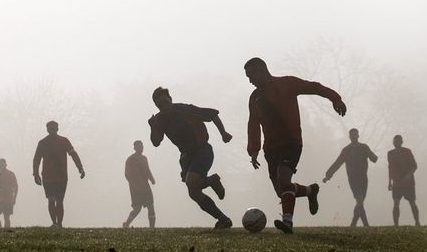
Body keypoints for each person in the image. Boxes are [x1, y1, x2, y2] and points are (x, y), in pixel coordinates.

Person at [245, 57, 347, 234]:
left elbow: (314, 87)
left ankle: (287, 223)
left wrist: (335, 99)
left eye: (251, 75)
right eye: (247, 77)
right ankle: (310, 191)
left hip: (291, 143)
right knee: (281, 190)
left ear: (262, 70)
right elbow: (253, 124)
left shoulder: (287, 83)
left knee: (284, 180)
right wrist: (253, 150)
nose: (250, 80)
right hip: (270, 149)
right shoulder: (254, 98)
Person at [148, 87, 233, 229]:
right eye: (160, 105)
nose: (164, 107)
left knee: (192, 181)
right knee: (193, 192)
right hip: (186, 157)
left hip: (203, 150)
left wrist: (223, 133)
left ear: (171, 99)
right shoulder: (159, 119)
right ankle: (223, 220)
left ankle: (212, 181)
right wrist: (152, 127)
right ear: (157, 106)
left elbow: (212, 115)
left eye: (166, 102)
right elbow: (156, 142)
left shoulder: (185, 109)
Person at [33, 120, 85, 228]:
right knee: (53, 200)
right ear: (47, 129)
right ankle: (56, 223)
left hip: (59, 176)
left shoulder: (63, 141)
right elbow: (36, 159)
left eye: (53, 127)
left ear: (57, 129)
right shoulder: (43, 143)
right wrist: (35, 173)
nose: (52, 130)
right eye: (50, 128)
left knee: (58, 200)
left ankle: (58, 223)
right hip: (50, 176)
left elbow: (73, 154)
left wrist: (80, 168)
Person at [323, 128, 378, 227]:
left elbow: (373, 158)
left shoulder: (364, 147)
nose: (354, 136)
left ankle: (353, 224)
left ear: (358, 136)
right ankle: (365, 225)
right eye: (352, 135)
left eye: (355, 134)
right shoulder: (346, 150)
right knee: (360, 199)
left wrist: (374, 157)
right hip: (353, 178)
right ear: (349, 137)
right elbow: (338, 163)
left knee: (360, 202)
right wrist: (328, 175)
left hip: (363, 178)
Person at [387, 134, 420, 226]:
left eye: (397, 141)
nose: (395, 143)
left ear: (401, 142)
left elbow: (414, 166)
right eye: (394, 141)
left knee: (412, 202)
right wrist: (390, 182)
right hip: (397, 183)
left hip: (408, 183)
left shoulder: (407, 152)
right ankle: (396, 224)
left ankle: (417, 222)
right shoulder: (390, 153)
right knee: (396, 203)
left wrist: (408, 176)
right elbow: (390, 168)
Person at [123, 140, 156, 228]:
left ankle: (152, 228)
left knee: (151, 206)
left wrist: (152, 179)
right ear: (135, 148)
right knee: (137, 209)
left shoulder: (144, 158)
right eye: (138, 147)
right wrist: (134, 185)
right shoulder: (130, 160)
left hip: (146, 186)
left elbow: (147, 170)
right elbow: (127, 174)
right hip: (135, 189)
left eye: (141, 147)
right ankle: (126, 224)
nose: (140, 149)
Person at [0, 158, 19, 229]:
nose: (1, 165)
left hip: (8, 199)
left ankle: (6, 231)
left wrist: (14, 198)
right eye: (0, 164)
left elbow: (16, 187)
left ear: (5, 164)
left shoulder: (11, 174)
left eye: (3, 164)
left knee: (6, 217)